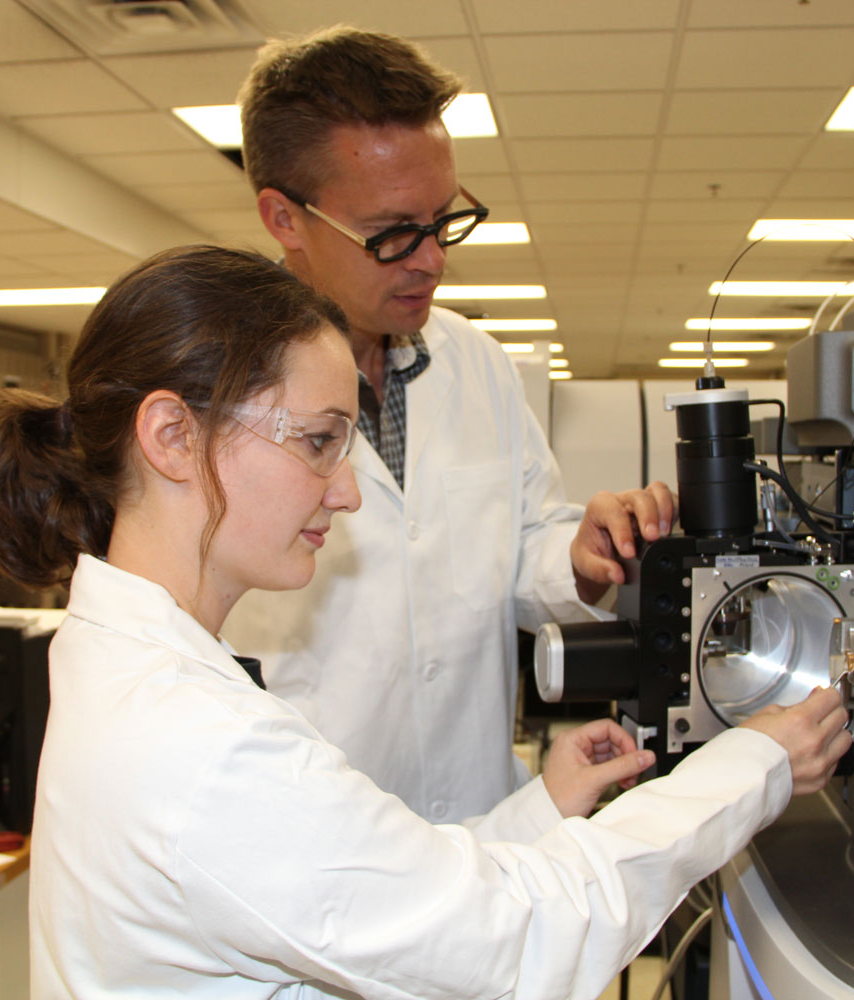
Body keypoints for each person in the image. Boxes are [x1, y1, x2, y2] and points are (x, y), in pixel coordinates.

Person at [0, 244, 852, 999]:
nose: (349, 491)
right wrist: (753, 766)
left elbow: (367, 894)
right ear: (173, 435)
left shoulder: (128, 664)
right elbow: (515, 944)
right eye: (319, 441)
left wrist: (539, 811)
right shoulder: (200, 747)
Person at [223, 26, 675, 829]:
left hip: (482, 820)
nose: (432, 260)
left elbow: (522, 548)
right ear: (284, 218)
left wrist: (579, 556)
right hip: (312, 841)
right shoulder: (216, 396)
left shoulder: (479, 366)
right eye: (394, 233)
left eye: (443, 220)